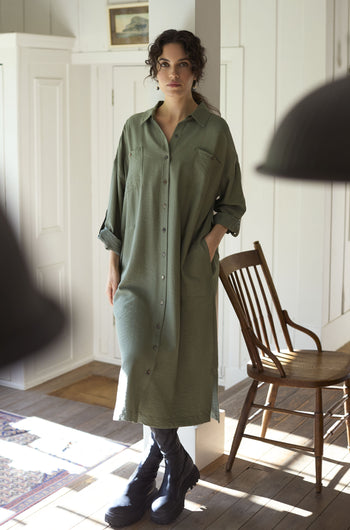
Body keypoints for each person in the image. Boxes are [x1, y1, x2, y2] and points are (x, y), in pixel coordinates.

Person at [98, 29, 246, 527]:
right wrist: (113, 264)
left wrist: (208, 244)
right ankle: (175, 463)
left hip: (187, 276)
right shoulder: (134, 130)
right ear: (154, 70)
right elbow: (116, 202)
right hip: (137, 271)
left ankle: (150, 471)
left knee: (177, 371)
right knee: (140, 361)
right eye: (163, 64)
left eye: (182, 65)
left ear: (196, 70)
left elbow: (233, 202)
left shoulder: (214, 133)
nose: (173, 74)